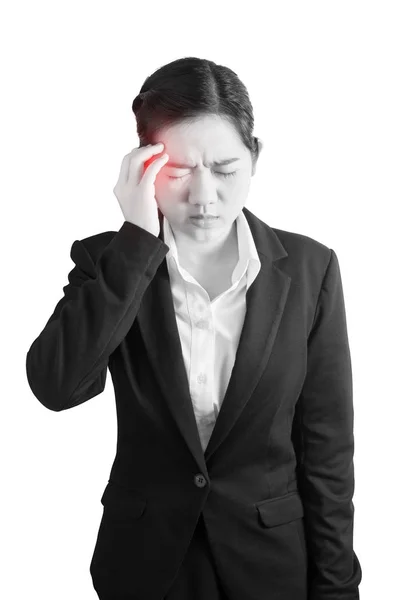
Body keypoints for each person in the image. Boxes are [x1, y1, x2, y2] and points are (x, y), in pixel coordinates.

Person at [26, 56, 362, 600]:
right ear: (143, 166)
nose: (204, 197)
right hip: (144, 568)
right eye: (178, 172)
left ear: (255, 158)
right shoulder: (106, 261)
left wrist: (338, 589)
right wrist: (136, 241)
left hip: (271, 569)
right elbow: (56, 387)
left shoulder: (309, 269)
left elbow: (326, 449)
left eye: (226, 169)